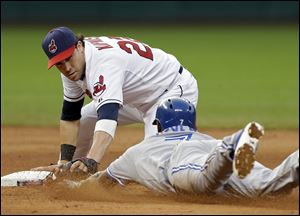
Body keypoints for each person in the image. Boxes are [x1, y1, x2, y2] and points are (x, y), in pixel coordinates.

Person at [33, 26, 199, 174]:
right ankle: (70, 170)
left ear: (79, 46)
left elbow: (107, 117)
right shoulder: (73, 66)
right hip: (133, 98)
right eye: (59, 64)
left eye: (68, 58)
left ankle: (201, 169)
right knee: (84, 119)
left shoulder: (104, 62)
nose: (66, 68)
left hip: (169, 92)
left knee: (155, 162)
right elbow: (71, 115)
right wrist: (63, 161)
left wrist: (92, 160)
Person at [67, 97, 299, 198]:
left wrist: (72, 185)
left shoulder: (139, 151)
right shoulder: (204, 136)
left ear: (157, 124)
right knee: (272, 184)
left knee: (203, 183)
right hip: (213, 148)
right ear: (192, 123)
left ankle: (233, 144)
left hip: (187, 160)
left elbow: (102, 180)